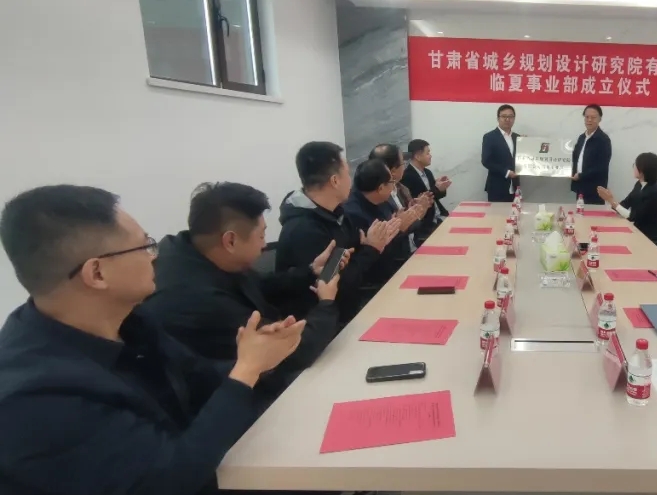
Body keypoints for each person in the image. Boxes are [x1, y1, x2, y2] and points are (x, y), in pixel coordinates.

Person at [0, 185, 304, 495]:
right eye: (144, 246)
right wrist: (246, 372)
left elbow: (199, 376)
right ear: (98, 273)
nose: (154, 257)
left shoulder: (131, 320)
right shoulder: (35, 398)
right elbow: (171, 478)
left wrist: (259, 359)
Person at [141, 182, 343, 395]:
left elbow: (260, 284)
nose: (264, 245)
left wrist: (310, 271)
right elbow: (290, 350)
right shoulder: (197, 300)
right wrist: (326, 303)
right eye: (261, 236)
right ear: (230, 241)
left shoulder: (198, 250)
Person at [277, 141, 400, 323]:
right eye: (347, 174)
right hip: (325, 326)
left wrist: (369, 245)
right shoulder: (304, 229)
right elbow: (339, 283)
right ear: (335, 181)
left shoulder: (337, 213)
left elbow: (352, 256)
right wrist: (371, 249)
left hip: (348, 312)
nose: (351, 181)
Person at [345, 158, 409, 288]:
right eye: (391, 182)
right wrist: (398, 230)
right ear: (380, 188)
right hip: (374, 282)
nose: (394, 186)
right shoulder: (353, 214)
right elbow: (370, 260)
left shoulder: (382, 201)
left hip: (391, 269)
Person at [368, 143, 429, 254]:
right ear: (392, 171)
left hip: (413, 247)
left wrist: (416, 212)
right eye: (403, 163)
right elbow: (388, 241)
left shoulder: (401, 189)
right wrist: (414, 216)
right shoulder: (378, 197)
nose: (405, 166)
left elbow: (410, 226)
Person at [596, 152, 657, 243]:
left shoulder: (654, 192)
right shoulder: (639, 184)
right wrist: (611, 199)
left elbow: (633, 216)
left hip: (649, 237)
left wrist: (611, 201)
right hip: (636, 231)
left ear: (642, 170)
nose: (633, 167)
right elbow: (625, 203)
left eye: (635, 165)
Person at [401, 138, 450, 246]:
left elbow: (436, 196)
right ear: (418, 156)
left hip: (439, 217)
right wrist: (436, 188)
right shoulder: (407, 176)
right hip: (425, 224)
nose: (430, 156)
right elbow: (419, 200)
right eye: (427, 153)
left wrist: (442, 187)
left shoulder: (427, 172)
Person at [570, 104, 612, 205]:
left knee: (593, 214)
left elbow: (601, 167)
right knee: (580, 212)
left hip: (595, 190)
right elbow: (575, 158)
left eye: (593, 117)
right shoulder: (581, 138)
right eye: (587, 117)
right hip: (580, 187)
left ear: (600, 119)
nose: (589, 120)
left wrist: (581, 175)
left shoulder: (603, 140)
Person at [481, 104, 520, 202]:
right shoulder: (489, 137)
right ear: (498, 118)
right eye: (504, 116)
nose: (507, 119)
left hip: (515, 187)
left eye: (510, 116)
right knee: (496, 212)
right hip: (497, 187)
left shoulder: (518, 138)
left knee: (515, 211)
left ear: (514, 119)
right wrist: (506, 172)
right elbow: (486, 161)